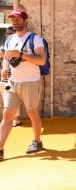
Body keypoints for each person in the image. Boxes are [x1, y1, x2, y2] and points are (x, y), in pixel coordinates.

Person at [0, 9, 46, 161]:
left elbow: (41, 60)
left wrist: (20, 54)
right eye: (12, 19)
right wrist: (5, 67)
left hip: (31, 82)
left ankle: (37, 141)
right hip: (13, 83)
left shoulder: (35, 39)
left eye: (18, 19)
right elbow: (6, 57)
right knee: (7, 114)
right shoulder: (9, 39)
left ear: (25, 20)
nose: (15, 21)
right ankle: (0, 149)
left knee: (32, 112)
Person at [0, 27, 22, 127]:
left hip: (14, 75)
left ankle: (16, 119)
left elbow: (3, 54)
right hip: (4, 76)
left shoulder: (16, 44)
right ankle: (11, 119)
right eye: (6, 33)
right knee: (6, 98)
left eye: (8, 33)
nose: (6, 35)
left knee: (13, 97)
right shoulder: (5, 45)